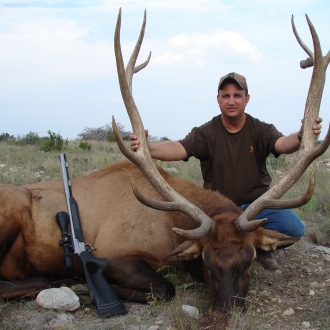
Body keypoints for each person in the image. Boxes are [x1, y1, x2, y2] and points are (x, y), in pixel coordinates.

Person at [130, 72, 322, 270]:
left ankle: (262, 250)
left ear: (247, 99)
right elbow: (179, 148)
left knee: (294, 229)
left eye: (237, 95)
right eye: (226, 96)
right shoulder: (206, 132)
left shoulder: (260, 129)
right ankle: (228, 251)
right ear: (218, 100)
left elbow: (282, 144)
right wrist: (149, 147)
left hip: (256, 206)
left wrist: (301, 135)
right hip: (218, 213)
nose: (231, 101)